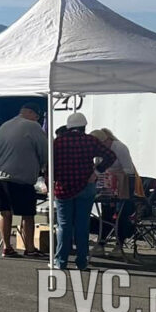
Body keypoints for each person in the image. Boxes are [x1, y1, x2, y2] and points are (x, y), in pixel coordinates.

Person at [55, 114, 116, 270]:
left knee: (64, 225)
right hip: (86, 186)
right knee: (82, 224)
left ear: (68, 126)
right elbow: (111, 156)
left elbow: (51, 165)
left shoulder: (58, 142)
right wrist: (96, 172)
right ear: (84, 126)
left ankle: (61, 261)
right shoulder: (90, 140)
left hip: (63, 187)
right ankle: (81, 262)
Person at [0, 102, 47, 258]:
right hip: (21, 177)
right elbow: (44, 151)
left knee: (5, 213)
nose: (37, 120)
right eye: (37, 117)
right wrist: (43, 168)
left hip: (0, 176)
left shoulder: (4, 126)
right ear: (31, 113)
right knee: (27, 215)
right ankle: (30, 248)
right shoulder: (33, 126)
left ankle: (7, 247)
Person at [89, 128, 138, 257]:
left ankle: (119, 245)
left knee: (121, 215)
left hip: (123, 184)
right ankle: (101, 243)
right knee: (106, 214)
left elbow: (128, 169)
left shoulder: (120, 147)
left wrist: (115, 177)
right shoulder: (100, 151)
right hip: (107, 184)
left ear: (105, 141)